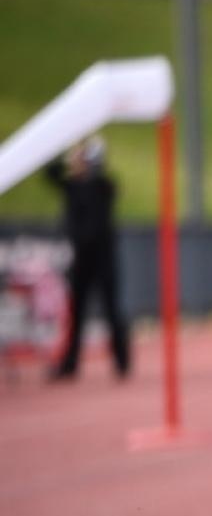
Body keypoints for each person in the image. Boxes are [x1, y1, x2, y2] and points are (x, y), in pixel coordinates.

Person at [43, 136, 131, 380]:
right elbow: (50, 172)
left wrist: (86, 163)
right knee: (76, 312)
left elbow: (102, 189)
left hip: (103, 256)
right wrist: (67, 156)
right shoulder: (72, 184)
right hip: (82, 258)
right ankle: (70, 363)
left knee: (112, 309)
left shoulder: (104, 185)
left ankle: (122, 361)